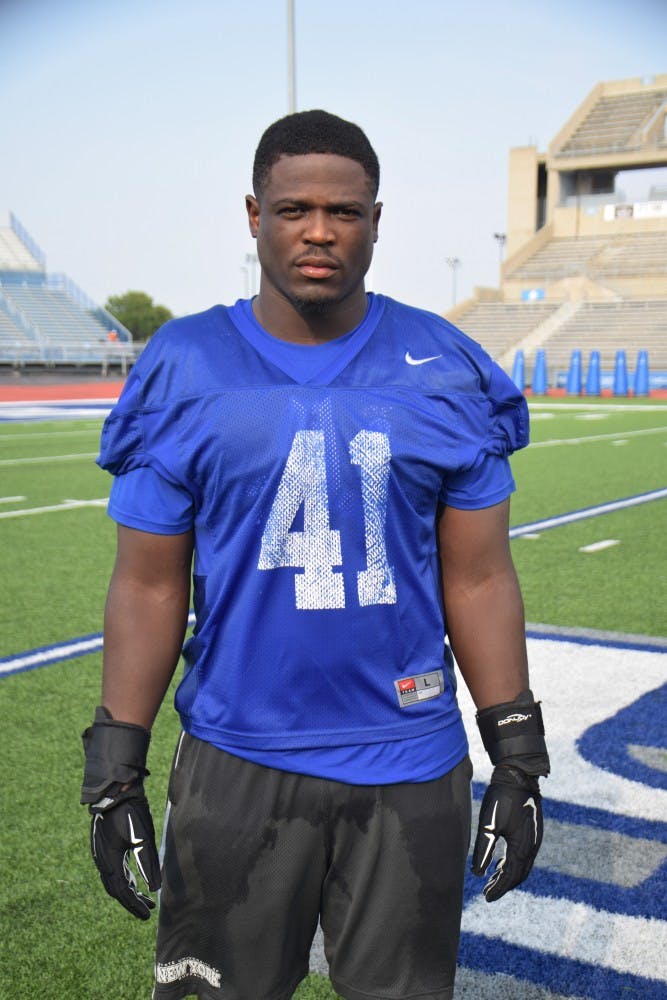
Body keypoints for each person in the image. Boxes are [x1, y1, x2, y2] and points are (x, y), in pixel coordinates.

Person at [81, 110, 550, 1000]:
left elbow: (479, 574)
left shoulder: (443, 364)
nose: (320, 231)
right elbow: (147, 584)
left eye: (345, 211)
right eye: (295, 208)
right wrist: (115, 764)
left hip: (410, 763)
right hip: (237, 759)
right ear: (253, 214)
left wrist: (516, 747)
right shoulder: (185, 364)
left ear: (378, 220)